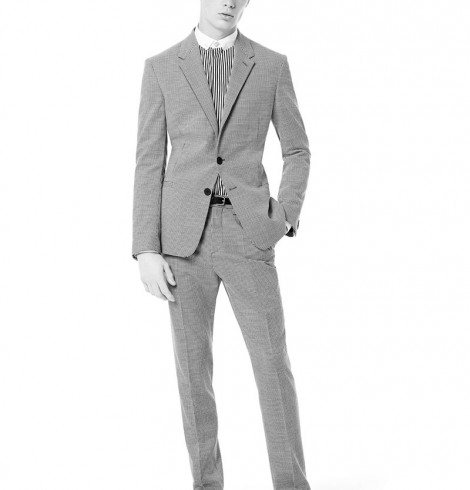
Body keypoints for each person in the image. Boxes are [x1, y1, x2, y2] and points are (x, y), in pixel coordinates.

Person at [132, 1, 311, 488]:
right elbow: (149, 161)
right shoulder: (161, 67)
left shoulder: (271, 64)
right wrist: (146, 247)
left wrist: (285, 214)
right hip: (181, 242)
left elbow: (297, 148)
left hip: (249, 233)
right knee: (193, 376)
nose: (229, 1)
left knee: (272, 365)